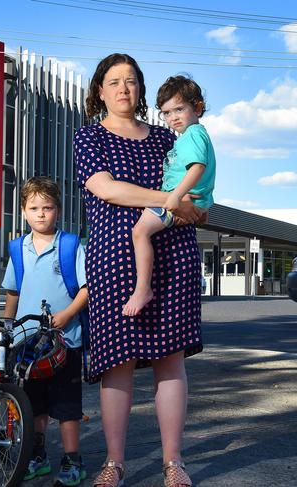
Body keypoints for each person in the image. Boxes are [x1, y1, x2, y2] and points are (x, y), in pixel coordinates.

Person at [74, 53, 204, 487]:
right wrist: (169, 201)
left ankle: (173, 462)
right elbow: (106, 189)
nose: (123, 89)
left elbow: (197, 185)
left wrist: (196, 206)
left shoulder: (168, 138)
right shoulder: (89, 137)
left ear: (140, 89)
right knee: (117, 363)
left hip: (173, 256)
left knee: (171, 361)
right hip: (113, 260)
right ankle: (114, 462)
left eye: (130, 81)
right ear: (100, 91)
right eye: (114, 82)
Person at [1, 176, 89, 486]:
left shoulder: (70, 245)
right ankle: (37, 456)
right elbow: (13, 292)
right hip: (26, 343)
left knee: (66, 407)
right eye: (34, 207)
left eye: (47, 207)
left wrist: (67, 314)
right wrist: (6, 327)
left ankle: (72, 460)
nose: (41, 213)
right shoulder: (17, 249)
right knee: (33, 404)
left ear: (59, 211)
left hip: (66, 342)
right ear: (23, 211)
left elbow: (86, 288)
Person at [123, 75, 216, 317]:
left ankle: (143, 288)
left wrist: (174, 197)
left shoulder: (193, 134)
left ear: (197, 107)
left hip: (178, 200)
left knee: (140, 232)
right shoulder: (191, 135)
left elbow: (197, 167)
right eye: (166, 112)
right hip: (191, 200)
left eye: (179, 109)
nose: (172, 117)